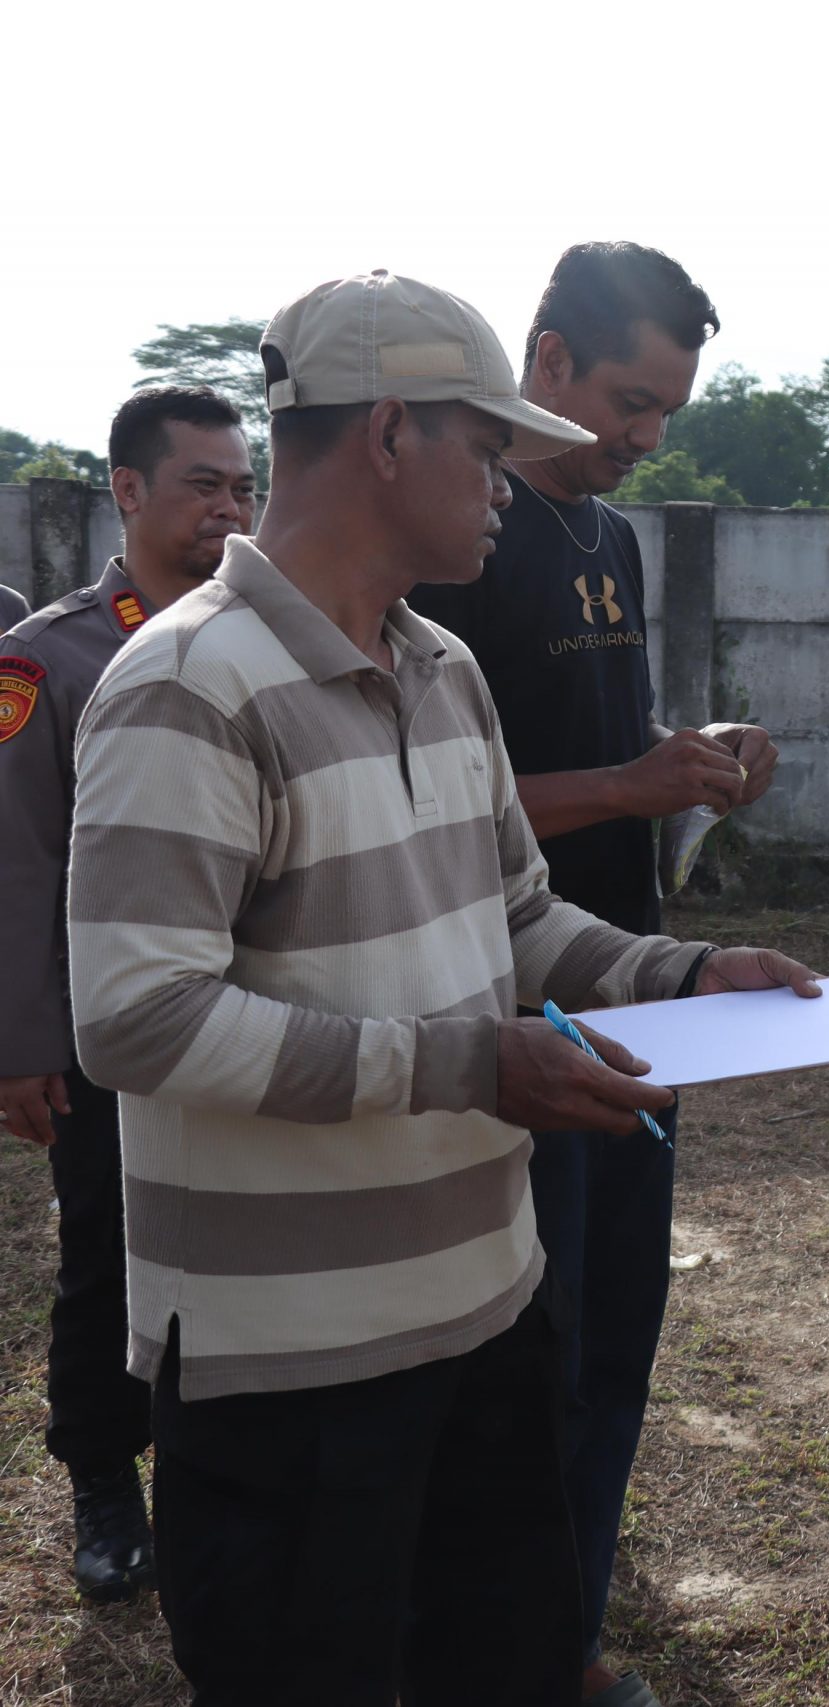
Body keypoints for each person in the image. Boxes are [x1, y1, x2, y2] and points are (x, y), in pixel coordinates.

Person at [65, 269, 819, 1707]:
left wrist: (687, 973)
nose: (508, 484)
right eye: (486, 447)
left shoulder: (444, 666)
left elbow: (520, 915)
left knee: (503, 1668)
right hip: (289, 1361)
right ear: (392, 433)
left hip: (482, 1306)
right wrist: (471, 1064)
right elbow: (137, 1015)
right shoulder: (185, 688)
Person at [405, 240, 774, 1707]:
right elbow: (456, 808)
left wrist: (689, 761)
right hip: (514, 999)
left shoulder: (610, 547)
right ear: (544, 362)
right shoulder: (460, 554)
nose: (644, 436)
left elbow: (600, 752)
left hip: (641, 989)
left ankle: (565, 1629)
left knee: (618, 1332)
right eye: (630, 399)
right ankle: (499, 1641)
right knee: (527, 1354)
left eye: (667, 410)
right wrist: (627, 785)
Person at [0, 386, 256, 1602]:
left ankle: (218, 1476)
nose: (228, 505)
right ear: (129, 490)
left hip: (247, 1021)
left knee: (238, 1257)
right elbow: (16, 859)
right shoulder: (48, 657)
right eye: (202, 483)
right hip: (113, 1039)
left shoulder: (267, 637)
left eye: (241, 483)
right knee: (107, 1257)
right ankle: (103, 1481)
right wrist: (21, 1043)